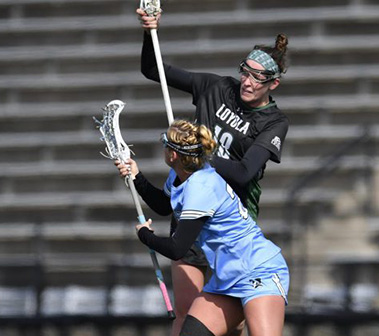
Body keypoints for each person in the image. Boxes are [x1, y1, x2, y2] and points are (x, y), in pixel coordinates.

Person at [137, 8, 290, 335]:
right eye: (245, 72)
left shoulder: (274, 123)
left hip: (229, 226)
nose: (247, 82)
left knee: (231, 323)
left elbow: (245, 172)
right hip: (193, 216)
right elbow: (153, 70)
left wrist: (197, 155)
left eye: (258, 78)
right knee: (187, 315)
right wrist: (150, 31)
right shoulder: (216, 88)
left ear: (273, 83)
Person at [117, 119, 289, 336]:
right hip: (226, 280)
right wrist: (136, 176)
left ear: (173, 155)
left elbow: (177, 248)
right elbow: (163, 205)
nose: (163, 146)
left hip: (257, 271)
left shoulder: (201, 187)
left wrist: (145, 235)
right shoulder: (180, 176)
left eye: (165, 142)